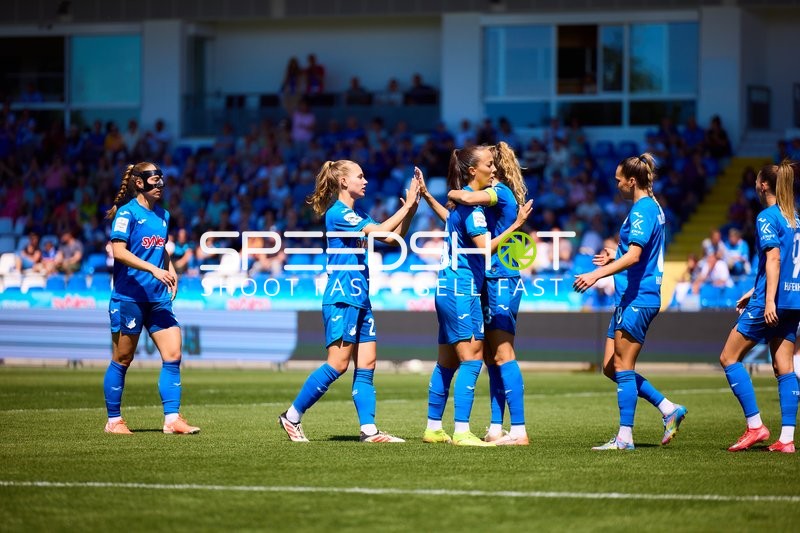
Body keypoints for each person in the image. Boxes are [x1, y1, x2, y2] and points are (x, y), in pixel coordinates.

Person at [278, 160, 421, 443]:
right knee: (338, 364)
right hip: (342, 297)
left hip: (360, 298)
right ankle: (291, 416)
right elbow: (381, 232)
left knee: (367, 364)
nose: (365, 181)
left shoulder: (358, 214)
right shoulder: (338, 213)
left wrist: (412, 210)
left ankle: (369, 430)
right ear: (344, 181)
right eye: (360, 176)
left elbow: (392, 239)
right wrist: (406, 206)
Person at [418, 145, 532, 446]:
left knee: (480, 357)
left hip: (483, 281)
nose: (492, 169)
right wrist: (517, 225)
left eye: (494, 164)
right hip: (472, 284)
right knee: (480, 358)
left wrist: (442, 193)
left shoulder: (494, 194)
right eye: (488, 164)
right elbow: (464, 221)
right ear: (475, 169)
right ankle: (470, 430)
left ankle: (446, 427)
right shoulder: (476, 204)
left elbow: (460, 208)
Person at [573, 153, 687, 450]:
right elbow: (639, 252)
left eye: (619, 180)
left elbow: (636, 256)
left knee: (623, 365)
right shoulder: (651, 206)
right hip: (630, 296)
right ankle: (668, 409)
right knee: (610, 367)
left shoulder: (642, 210)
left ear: (632, 181)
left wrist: (596, 274)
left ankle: (624, 437)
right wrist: (616, 254)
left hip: (639, 296)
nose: (617, 185)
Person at [102, 162, 200, 436]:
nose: (160, 186)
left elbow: (161, 249)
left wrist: (171, 270)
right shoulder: (127, 213)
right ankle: (114, 421)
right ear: (139, 183)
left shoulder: (163, 215)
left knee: (174, 354)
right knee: (123, 358)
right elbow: (119, 252)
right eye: (155, 182)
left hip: (158, 299)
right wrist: (154, 270)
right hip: (129, 298)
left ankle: (172, 419)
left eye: (161, 181)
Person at [718, 161, 800, 453]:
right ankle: (787, 439)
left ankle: (755, 426)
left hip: (773, 300)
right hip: (793, 300)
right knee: (784, 366)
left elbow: (774, 259)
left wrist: (766, 300)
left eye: (756, 181)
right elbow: (788, 263)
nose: (754, 185)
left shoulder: (767, 216)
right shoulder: (795, 219)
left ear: (764, 185)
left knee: (729, 357)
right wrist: (754, 289)